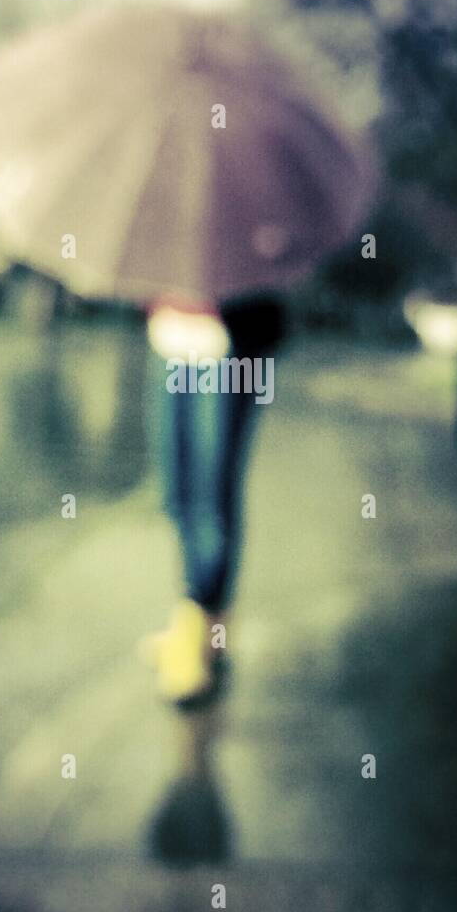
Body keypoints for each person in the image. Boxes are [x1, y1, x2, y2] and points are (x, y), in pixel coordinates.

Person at [139, 295, 286, 706]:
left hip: (230, 349)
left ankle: (197, 634)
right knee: (177, 492)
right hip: (169, 340)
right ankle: (205, 625)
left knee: (212, 496)